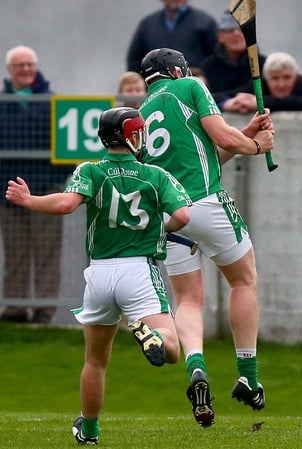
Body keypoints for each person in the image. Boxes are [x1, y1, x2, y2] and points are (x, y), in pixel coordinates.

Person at [5, 107, 191, 444]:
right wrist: (162, 229)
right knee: (173, 349)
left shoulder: (90, 170)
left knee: (95, 361)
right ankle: (149, 333)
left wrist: (29, 199)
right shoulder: (156, 175)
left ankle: (88, 430)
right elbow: (182, 216)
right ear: (131, 135)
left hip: (100, 274)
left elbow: (65, 205)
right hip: (139, 272)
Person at [138, 47, 274, 427]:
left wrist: (245, 136)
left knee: (188, 299)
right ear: (177, 70)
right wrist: (257, 145)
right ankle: (248, 376)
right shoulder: (191, 86)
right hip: (207, 202)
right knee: (244, 279)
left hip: (170, 216)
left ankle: (196, 366)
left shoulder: (142, 115)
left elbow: (208, 152)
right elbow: (223, 138)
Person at [0, 45, 74, 324]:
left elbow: (69, 148)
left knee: (46, 251)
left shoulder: (53, 103)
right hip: (7, 192)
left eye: (30, 64)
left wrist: (57, 181)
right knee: (15, 251)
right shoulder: (2, 103)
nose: (26, 70)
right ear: (10, 70)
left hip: (45, 189)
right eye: (20, 65)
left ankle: (44, 308)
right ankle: (15, 307)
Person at [197, 11, 266, 114]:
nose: (236, 33)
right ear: (220, 37)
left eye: (242, 29)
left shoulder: (264, 65)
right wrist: (224, 103)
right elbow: (198, 98)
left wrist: (257, 102)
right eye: (229, 30)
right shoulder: (207, 67)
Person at [125, 0, 217, 72]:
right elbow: (134, 60)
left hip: (190, 90)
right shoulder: (148, 24)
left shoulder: (205, 23)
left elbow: (215, 58)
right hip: (155, 88)